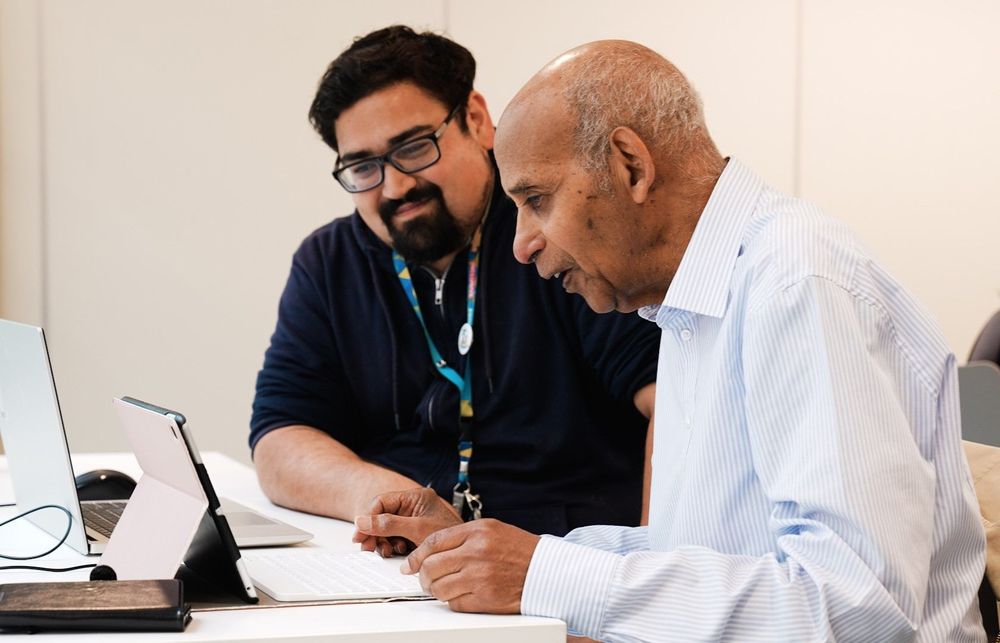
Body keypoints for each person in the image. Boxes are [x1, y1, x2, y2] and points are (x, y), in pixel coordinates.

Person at [353, 40, 987, 640]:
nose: (522, 245)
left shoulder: (797, 281)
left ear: (631, 165)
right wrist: (481, 546)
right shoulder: (693, 300)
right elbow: (707, 553)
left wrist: (545, 575)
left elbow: (856, 609)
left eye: (537, 199)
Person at [249, 26, 660, 545]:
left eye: (415, 147)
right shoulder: (330, 261)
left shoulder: (560, 229)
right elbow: (280, 437)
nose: (396, 186)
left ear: (476, 120)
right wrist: (383, 497)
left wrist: (643, 577)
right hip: (405, 565)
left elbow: (672, 405)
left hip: (555, 561)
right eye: (363, 166)